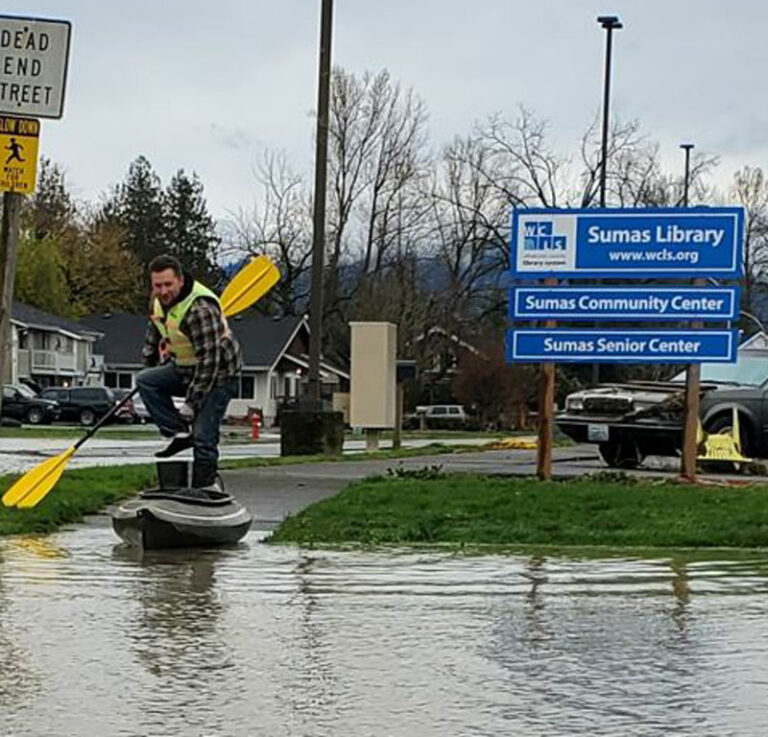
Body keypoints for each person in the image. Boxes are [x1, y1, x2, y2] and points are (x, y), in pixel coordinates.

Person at [136, 254, 241, 488]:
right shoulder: (158, 302)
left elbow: (209, 362)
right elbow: (152, 340)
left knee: (204, 435)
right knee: (145, 381)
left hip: (218, 375)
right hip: (183, 366)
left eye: (168, 284)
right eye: (158, 285)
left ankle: (206, 487)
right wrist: (148, 369)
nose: (163, 291)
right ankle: (178, 432)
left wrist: (191, 404)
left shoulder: (200, 310)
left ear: (180, 281)